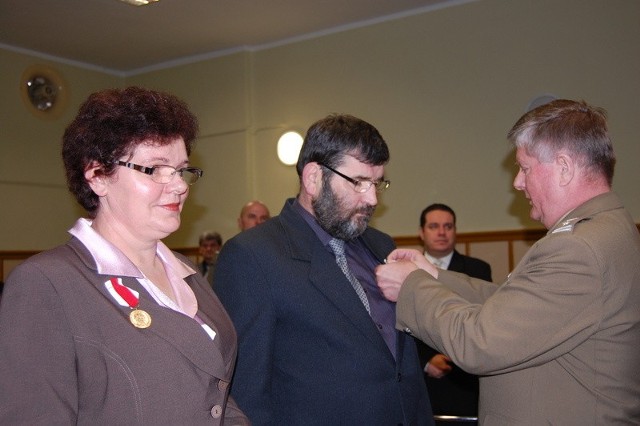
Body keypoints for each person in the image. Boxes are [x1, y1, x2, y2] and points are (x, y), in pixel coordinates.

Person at [376, 99, 640, 424]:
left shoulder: (578, 249)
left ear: (564, 168)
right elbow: (511, 306)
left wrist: (411, 285)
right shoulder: (607, 227)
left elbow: (480, 342)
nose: (517, 182)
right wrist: (432, 274)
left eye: (525, 167)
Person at [0, 87, 249, 425]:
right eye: (156, 169)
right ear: (98, 175)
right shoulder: (47, 284)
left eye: (181, 169)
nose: (179, 185)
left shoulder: (185, 271)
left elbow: (214, 392)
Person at [215, 114, 433, 425]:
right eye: (358, 182)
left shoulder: (381, 245)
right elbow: (246, 390)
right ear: (314, 178)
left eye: (377, 183)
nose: (372, 198)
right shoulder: (252, 256)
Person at [417, 203, 492, 420]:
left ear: (455, 231)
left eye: (448, 226)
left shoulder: (478, 270)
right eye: (434, 226)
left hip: (464, 379)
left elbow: (482, 322)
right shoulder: (406, 270)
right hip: (421, 382)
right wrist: (426, 361)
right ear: (421, 232)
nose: (441, 232)